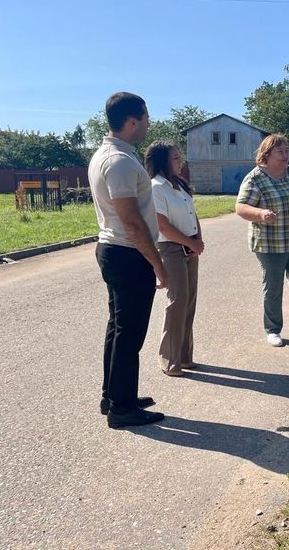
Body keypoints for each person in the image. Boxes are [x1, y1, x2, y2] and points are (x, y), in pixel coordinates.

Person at [89, 92, 166, 428]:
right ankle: (121, 408)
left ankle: (114, 395)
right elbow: (131, 221)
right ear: (132, 121)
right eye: (146, 118)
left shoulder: (112, 155)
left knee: (118, 329)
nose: (148, 123)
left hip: (117, 251)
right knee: (129, 334)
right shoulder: (118, 161)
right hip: (127, 253)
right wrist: (158, 264)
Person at [235, 134, 289, 347]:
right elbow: (241, 207)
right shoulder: (255, 177)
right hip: (270, 243)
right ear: (267, 154)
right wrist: (261, 213)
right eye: (280, 151)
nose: (285, 155)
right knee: (273, 286)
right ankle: (272, 329)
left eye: (287, 150)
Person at [145, 141, 204, 377]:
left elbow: (193, 214)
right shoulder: (156, 187)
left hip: (190, 246)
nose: (181, 161)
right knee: (177, 301)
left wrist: (198, 239)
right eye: (175, 158)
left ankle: (184, 356)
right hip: (171, 248)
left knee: (189, 301)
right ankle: (169, 359)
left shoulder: (179, 185)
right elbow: (162, 225)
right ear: (162, 161)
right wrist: (191, 243)